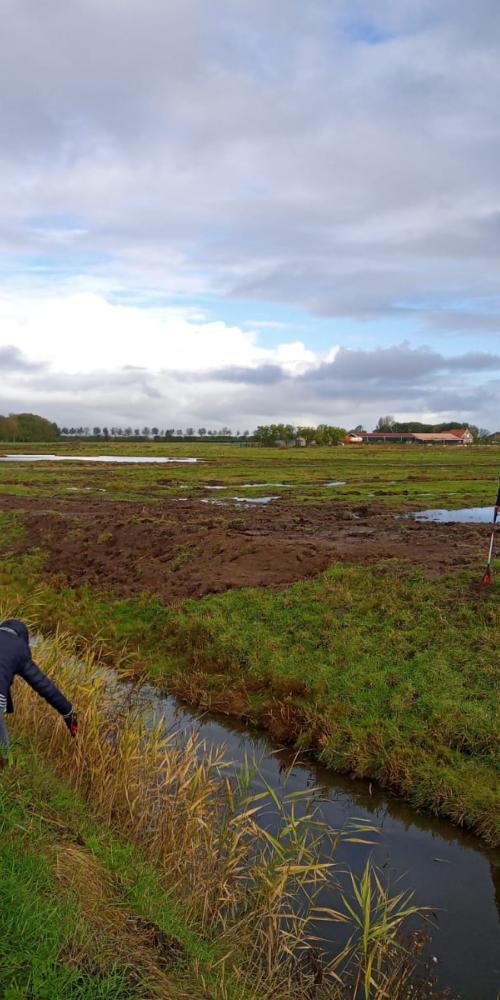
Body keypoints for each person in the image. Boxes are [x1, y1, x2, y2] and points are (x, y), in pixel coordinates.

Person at [0, 618, 77, 762]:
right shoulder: (20, 648)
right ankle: (5, 764)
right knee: (3, 752)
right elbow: (44, 685)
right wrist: (68, 712)